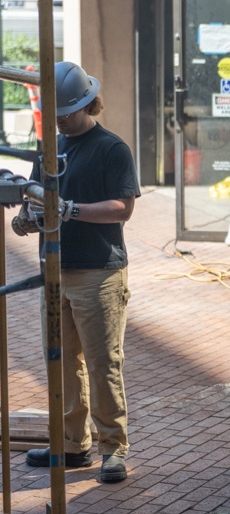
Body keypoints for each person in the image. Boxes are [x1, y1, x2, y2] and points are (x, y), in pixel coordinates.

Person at [14, 61, 140, 483]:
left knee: (104, 363)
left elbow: (123, 208)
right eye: (54, 115)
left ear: (88, 104)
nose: (59, 121)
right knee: (64, 363)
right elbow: (36, 200)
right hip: (55, 270)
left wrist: (72, 211)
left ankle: (113, 448)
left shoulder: (111, 149)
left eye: (65, 113)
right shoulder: (50, 146)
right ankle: (71, 444)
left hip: (99, 273)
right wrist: (27, 218)